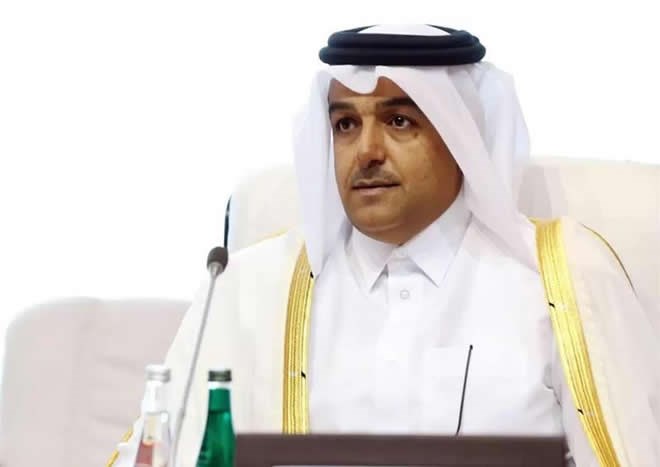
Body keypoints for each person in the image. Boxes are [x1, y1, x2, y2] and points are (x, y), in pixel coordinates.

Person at [110, 24, 660, 466]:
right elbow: (159, 452)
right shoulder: (250, 287)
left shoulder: (563, 279)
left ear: (460, 137)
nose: (366, 151)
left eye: (399, 121)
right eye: (345, 125)